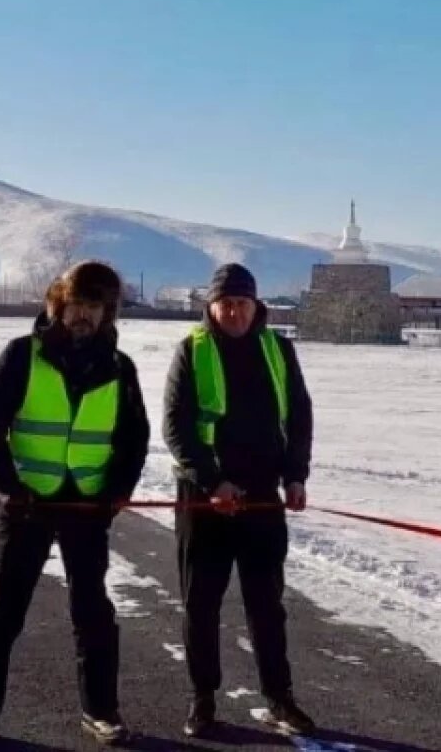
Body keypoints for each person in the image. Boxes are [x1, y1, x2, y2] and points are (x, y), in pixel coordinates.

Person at [0, 261, 150, 750]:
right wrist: (4, 481)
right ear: (57, 305)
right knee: (4, 613)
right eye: (75, 304)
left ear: (106, 312)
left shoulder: (120, 367)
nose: (82, 314)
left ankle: (101, 712)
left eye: (93, 306)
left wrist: (118, 490)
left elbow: (134, 437)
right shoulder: (23, 355)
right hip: (29, 503)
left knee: (93, 613)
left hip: (87, 507)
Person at [162, 262, 316, 738]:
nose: (233, 312)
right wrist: (212, 483)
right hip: (204, 501)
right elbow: (176, 426)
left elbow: (300, 415)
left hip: (262, 500)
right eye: (225, 303)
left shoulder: (278, 349)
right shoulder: (192, 350)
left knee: (267, 605)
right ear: (211, 306)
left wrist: (295, 476)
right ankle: (203, 699)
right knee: (202, 605)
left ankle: (279, 697)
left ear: (256, 307)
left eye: (242, 303)